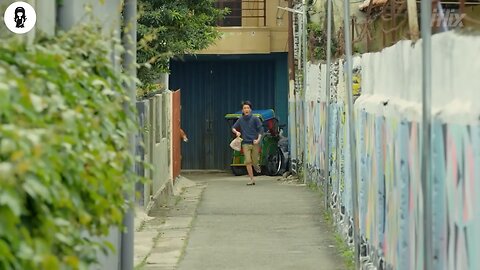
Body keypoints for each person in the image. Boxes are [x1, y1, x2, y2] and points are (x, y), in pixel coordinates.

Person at [231, 101, 262, 186]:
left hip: (255, 142)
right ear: (242, 110)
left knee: (254, 161)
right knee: (248, 161)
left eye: (248, 108)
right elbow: (233, 128)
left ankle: (256, 166)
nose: (246, 109)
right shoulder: (240, 119)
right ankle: (252, 179)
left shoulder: (255, 119)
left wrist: (258, 140)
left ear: (250, 109)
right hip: (245, 143)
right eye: (244, 108)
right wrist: (236, 132)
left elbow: (260, 131)